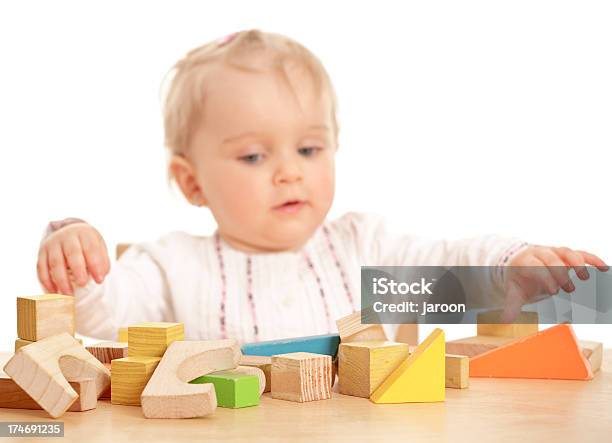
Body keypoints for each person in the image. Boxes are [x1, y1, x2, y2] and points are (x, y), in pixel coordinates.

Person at [36, 30, 608, 343]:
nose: (290, 171)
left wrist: (508, 270)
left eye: (309, 149)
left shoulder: (360, 254)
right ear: (192, 184)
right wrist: (78, 262)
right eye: (255, 155)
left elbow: (448, 270)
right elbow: (103, 316)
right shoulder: (175, 269)